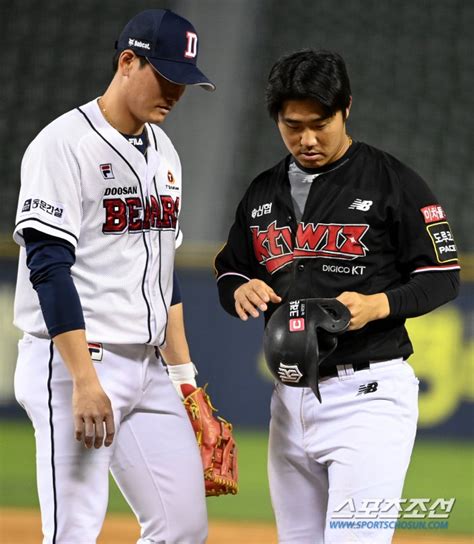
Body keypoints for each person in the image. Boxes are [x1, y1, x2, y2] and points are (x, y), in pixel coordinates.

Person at [215, 49, 460, 543]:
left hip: (367, 397)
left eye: (319, 122)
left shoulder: (394, 181)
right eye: (292, 125)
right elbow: (229, 269)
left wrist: (378, 305)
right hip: (289, 399)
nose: (306, 138)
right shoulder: (262, 192)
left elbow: (443, 275)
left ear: (346, 107)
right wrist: (239, 288)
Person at [13, 9, 215, 544]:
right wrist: (82, 380)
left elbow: (164, 276)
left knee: (184, 527)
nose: (175, 92)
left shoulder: (166, 152)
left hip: (147, 366)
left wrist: (186, 382)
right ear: (128, 61)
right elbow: (48, 268)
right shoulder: (63, 144)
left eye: (184, 81)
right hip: (76, 362)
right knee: (74, 531)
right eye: (166, 75)